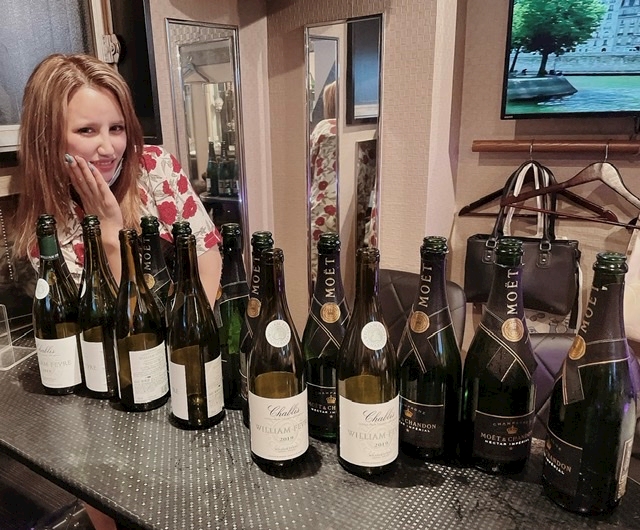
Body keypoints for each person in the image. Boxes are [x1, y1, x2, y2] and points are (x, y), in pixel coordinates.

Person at [11, 53, 223, 530]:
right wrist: (109, 229)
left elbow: (207, 252)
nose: (108, 147)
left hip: (187, 362)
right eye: (87, 131)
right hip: (117, 382)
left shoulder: (155, 168)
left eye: (117, 128)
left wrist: (191, 332)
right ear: (48, 138)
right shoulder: (45, 230)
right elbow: (115, 324)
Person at [309, 81, 338, 282]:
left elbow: (309, 164)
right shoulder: (360, 131)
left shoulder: (323, 127)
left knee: (318, 266)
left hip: (322, 206)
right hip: (351, 205)